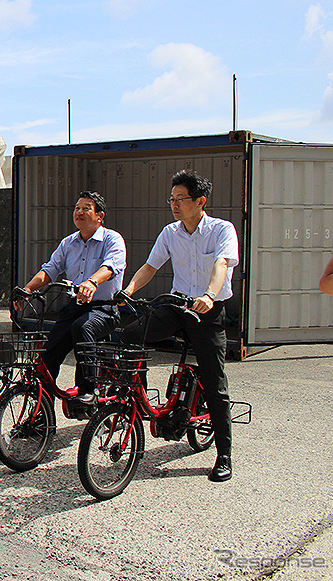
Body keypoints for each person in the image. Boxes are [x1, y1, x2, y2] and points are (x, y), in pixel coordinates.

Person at [120, 170, 239, 483]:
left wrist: (210, 296)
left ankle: (224, 454)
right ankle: (137, 398)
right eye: (171, 199)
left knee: (215, 381)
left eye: (180, 199)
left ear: (200, 201)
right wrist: (129, 291)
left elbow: (222, 264)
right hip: (177, 305)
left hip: (207, 310)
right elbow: (150, 266)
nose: (174, 204)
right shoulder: (170, 232)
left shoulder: (221, 230)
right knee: (132, 335)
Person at [21, 191, 126, 403]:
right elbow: (50, 270)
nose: (79, 212)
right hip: (75, 306)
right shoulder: (68, 242)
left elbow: (111, 266)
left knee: (82, 327)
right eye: (77, 208)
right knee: (48, 354)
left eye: (86, 208)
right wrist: (28, 289)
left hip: (103, 309)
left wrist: (92, 282)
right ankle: (40, 414)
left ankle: (88, 390)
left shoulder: (112, 239)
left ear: (100, 216)